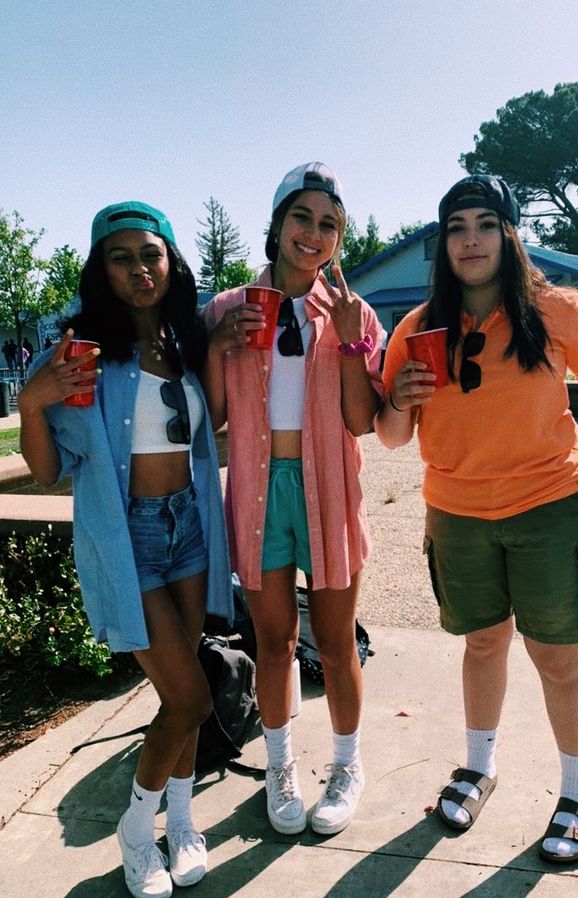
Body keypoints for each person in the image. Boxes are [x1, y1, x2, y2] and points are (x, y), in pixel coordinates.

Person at [376, 175, 578, 864]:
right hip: (458, 516)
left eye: (486, 223)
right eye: (457, 226)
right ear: (442, 243)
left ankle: (577, 794)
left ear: (509, 234)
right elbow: (391, 437)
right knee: (483, 644)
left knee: (559, 660)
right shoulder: (416, 328)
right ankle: (478, 766)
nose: (471, 238)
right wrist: (399, 399)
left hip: (547, 511)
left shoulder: (551, 310)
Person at [18, 201, 232, 898]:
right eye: (122, 257)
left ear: (171, 263)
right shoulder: (81, 353)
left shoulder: (183, 340)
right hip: (129, 532)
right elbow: (48, 470)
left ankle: (185, 822)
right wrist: (31, 401)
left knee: (188, 693)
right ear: (100, 269)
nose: (140, 269)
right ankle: (138, 831)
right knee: (190, 696)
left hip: (190, 529)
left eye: (152, 254)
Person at [203, 163, 384, 836]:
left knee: (336, 644)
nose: (313, 234)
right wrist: (218, 345)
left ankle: (346, 764)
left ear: (339, 238)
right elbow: (214, 420)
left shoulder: (353, 312)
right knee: (273, 641)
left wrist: (349, 341)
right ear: (277, 224)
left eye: (328, 224)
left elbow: (364, 420)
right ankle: (280, 766)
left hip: (330, 491)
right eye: (301, 218)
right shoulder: (229, 307)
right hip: (257, 493)